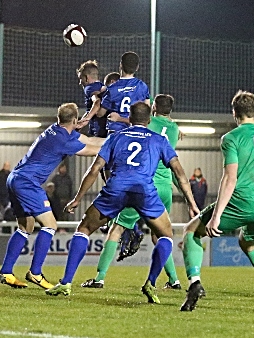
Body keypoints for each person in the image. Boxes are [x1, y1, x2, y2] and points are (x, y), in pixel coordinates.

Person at [46, 102, 198, 305]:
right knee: (166, 235)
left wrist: (78, 199)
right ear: (149, 120)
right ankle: (151, 284)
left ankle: (66, 283)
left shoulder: (116, 137)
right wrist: (191, 202)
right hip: (144, 191)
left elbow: (94, 169)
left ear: (130, 118)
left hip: (116, 189)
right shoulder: (159, 140)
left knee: (84, 228)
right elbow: (179, 173)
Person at [180, 90, 254, 312]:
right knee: (249, 243)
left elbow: (230, 178)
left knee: (191, 230)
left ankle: (194, 284)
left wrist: (217, 216)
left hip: (242, 201)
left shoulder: (231, 138)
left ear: (234, 113)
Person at [81, 94, 190, 290]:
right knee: (162, 235)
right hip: (166, 187)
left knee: (117, 229)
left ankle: (99, 277)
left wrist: (118, 118)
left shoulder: (149, 121)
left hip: (145, 185)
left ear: (154, 107)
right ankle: (174, 280)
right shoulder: (174, 129)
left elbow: (137, 121)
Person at [0, 102, 104, 290]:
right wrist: (119, 145)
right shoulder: (64, 140)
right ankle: (35, 273)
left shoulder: (55, 130)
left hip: (15, 178)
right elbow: (92, 149)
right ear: (75, 120)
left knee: (26, 226)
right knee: (50, 225)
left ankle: (6, 272)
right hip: (27, 182)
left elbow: (88, 139)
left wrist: (113, 139)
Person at [95, 51, 151, 134]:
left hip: (116, 130)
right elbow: (146, 113)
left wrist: (96, 98)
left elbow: (100, 114)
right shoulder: (143, 86)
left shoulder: (111, 89)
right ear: (137, 67)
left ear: (121, 65)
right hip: (134, 131)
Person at [76, 60, 108, 138]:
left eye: (81, 78)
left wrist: (87, 118)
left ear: (86, 78)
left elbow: (97, 102)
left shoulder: (89, 88)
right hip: (106, 127)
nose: (80, 82)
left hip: (98, 129)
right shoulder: (101, 86)